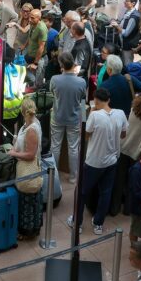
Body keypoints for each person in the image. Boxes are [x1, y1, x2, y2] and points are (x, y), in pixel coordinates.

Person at [67, 87, 126, 234]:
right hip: (112, 160)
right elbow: (123, 135)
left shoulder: (95, 116)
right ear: (109, 99)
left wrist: (92, 112)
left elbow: (85, 136)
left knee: (81, 192)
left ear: (97, 101)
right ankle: (98, 223)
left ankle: (77, 222)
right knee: (105, 193)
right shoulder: (120, 114)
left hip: (94, 162)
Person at [8, 96, 43, 240]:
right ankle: (31, 227)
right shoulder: (30, 124)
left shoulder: (31, 130)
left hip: (28, 170)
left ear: (23, 112)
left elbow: (30, 154)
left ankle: (27, 231)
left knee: (27, 202)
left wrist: (13, 153)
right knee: (30, 201)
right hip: (28, 168)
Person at [50, 52, 87, 183]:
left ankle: (53, 176)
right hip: (74, 119)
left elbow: (52, 93)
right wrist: (84, 120)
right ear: (73, 63)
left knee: (55, 146)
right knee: (73, 148)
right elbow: (83, 101)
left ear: (61, 65)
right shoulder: (82, 82)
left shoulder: (54, 79)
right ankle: (73, 176)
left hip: (57, 117)